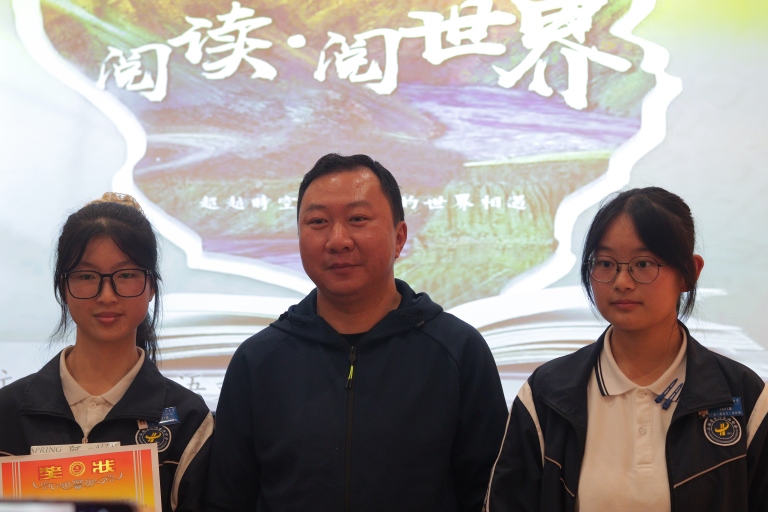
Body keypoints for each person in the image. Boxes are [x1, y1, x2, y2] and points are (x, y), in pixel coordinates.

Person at [206, 153, 508, 511]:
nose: (338, 240)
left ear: (399, 237)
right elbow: (227, 498)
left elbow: (489, 495)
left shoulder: (459, 351)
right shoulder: (257, 360)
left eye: (357, 219)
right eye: (318, 222)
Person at [485, 187, 768, 511]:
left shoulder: (743, 395)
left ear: (689, 272)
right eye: (606, 263)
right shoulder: (545, 396)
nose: (622, 281)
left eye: (643, 263)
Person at [0, 193, 214, 512]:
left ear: (151, 286)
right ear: (63, 287)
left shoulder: (189, 418)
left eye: (126, 275)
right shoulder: (8, 412)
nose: (107, 296)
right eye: (87, 276)